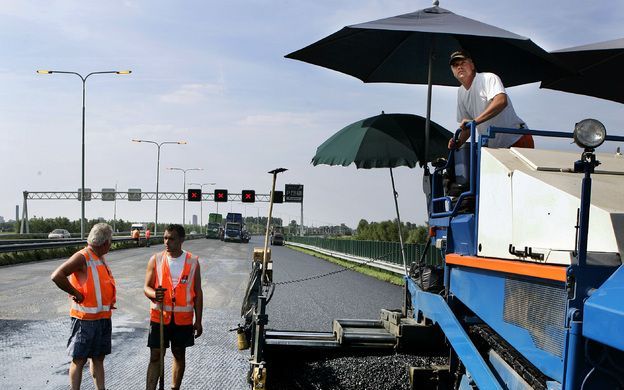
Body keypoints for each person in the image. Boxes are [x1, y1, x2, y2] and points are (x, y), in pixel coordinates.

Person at [50, 223, 116, 390]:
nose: (111, 244)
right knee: (79, 359)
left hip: (102, 318)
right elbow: (57, 276)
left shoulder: (98, 257)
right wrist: (76, 293)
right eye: (110, 241)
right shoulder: (83, 256)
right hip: (84, 320)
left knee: (98, 358)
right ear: (105, 243)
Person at [144, 224, 203, 390]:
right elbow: (146, 287)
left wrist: (198, 320)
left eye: (171, 238)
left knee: (178, 354)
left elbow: (198, 292)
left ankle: (174, 388)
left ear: (181, 240)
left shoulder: (192, 262)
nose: (167, 242)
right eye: (165, 238)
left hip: (183, 320)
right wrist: (155, 294)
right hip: (159, 317)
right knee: (155, 356)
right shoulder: (155, 259)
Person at [448, 49, 534, 149]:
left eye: (463, 63)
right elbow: (468, 127)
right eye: (455, 65)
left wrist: (475, 121)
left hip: (517, 139)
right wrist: (458, 142)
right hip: (495, 150)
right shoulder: (461, 92)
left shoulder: (487, 78)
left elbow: (501, 101)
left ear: (472, 65)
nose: (459, 67)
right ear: (452, 70)